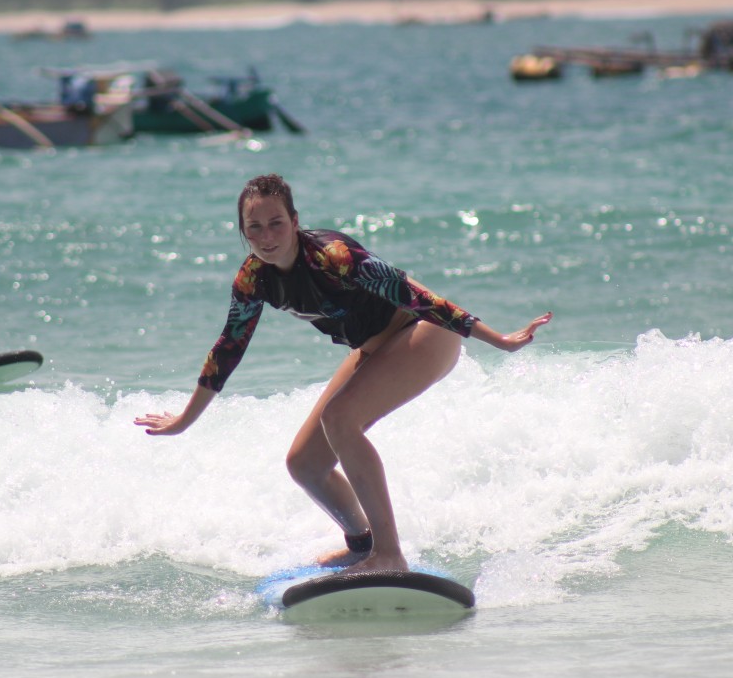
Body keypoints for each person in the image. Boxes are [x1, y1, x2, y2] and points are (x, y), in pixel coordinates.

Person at [134, 174, 551, 573]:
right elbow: (228, 349)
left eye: (276, 223)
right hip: (372, 348)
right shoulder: (252, 279)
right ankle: (363, 545)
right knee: (305, 464)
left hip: (424, 333)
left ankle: (390, 554)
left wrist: (498, 340)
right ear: (243, 232)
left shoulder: (334, 257)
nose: (266, 237)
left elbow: (418, 297)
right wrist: (183, 422)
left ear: (295, 222)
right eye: (254, 227)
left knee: (340, 419)